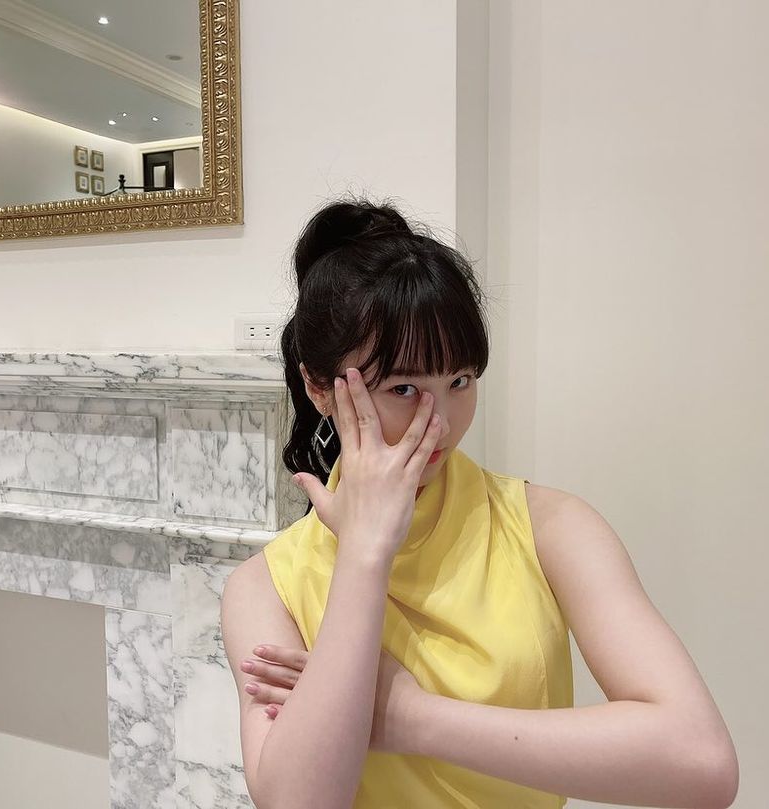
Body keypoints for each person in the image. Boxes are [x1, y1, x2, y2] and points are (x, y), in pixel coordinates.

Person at [220, 199, 738, 809]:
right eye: (404, 388)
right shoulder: (265, 587)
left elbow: (703, 765)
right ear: (318, 388)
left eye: (460, 382)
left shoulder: (551, 527)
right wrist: (363, 555)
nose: (439, 422)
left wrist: (409, 718)